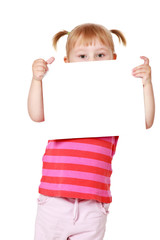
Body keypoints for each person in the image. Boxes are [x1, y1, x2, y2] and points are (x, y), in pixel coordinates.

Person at [28, 23, 155, 240]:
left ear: (113, 58)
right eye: (83, 56)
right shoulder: (61, 93)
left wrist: (146, 84)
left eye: (100, 54)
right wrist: (37, 80)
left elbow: (146, 120)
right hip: (54, 200)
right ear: (67, 62)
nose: (92, 61)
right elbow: (36, 114)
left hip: (93, 204)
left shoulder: (117, 98)